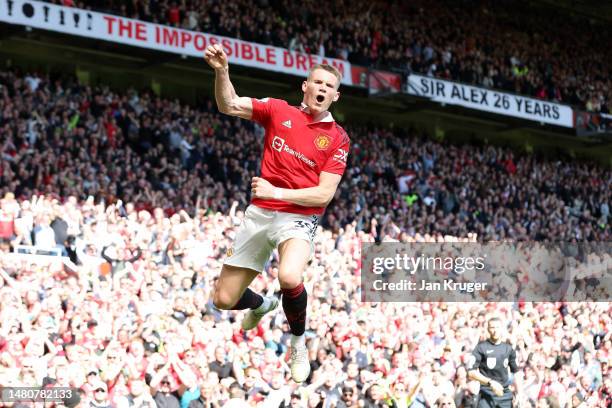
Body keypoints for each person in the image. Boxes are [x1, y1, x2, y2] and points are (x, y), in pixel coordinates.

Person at [203, 43, 350, 383]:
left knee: (289, 276)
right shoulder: (277, 110)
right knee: (224, 299)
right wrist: (222, 71)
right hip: (259, 214)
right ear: (306, 86)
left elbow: (324, 194)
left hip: (298, 216)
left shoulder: (338, 138)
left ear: (335, 97)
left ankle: (297, 342)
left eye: (329, 87)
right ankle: (261, 305)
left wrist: (277, 192)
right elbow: (228, 104)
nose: (322, 89)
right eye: (317, 83)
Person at [467, 317, 522, 408]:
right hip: (486, 393)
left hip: (504, 394)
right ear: (488, 329)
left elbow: (516, 372)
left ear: (502, 329)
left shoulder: (508, 349)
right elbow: (471, 373)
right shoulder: (480, 348)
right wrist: (490, 382)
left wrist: (520, 393)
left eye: (497, 327)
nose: (495, 330)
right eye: (492, 327)